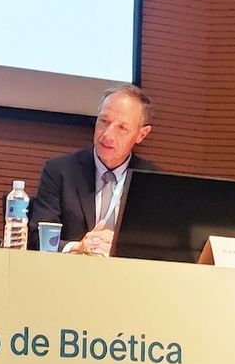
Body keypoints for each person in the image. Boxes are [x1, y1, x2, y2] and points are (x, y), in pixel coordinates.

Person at [29, 84, 155, 253]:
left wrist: (120, 249)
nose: (107, 135)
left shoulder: (152, 180)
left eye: (122, 128)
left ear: (141, 134)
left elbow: (166, 247)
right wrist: (78, 247)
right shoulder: (60, 171)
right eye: (104, 121)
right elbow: (38, 237)